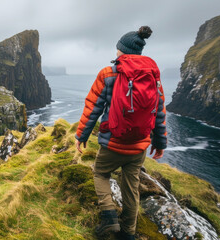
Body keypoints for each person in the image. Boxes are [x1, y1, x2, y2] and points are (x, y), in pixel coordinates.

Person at [75, 26, 167, 240]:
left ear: (122, 50)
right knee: (131, 187)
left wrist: (82, 136)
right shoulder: (153, 76)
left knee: (100, 173)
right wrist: (159, 142)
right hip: (138, 145)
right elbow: (159, 112)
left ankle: (109, 217)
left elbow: (93, 108)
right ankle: (128, 233)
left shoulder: (108, 73)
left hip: (113, 142)